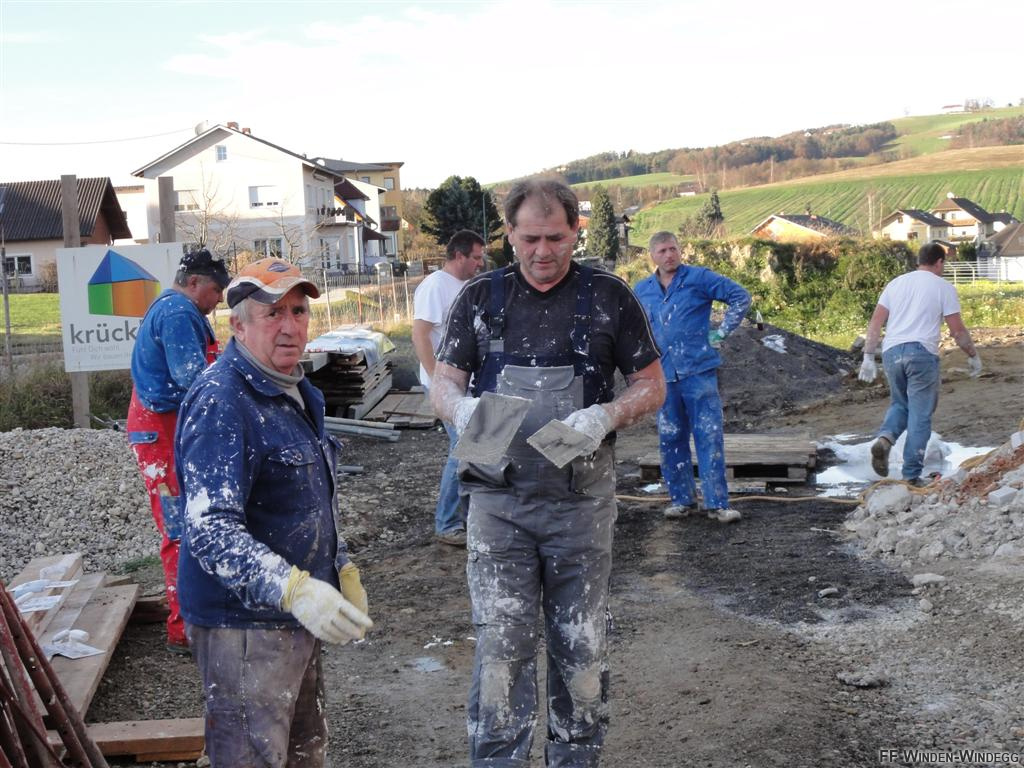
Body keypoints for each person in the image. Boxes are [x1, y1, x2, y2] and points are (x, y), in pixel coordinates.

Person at [430, 179, 665, 767]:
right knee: (501, 647)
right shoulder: (480, 297)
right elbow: (444, 382)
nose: (542, 252)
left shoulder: (608, 296)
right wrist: (460, 409)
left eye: (556, 238)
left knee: (580, 646)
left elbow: (652, 385)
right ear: (508, 234)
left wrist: (606, 414)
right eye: (529, 238)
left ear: (575, 231)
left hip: (579, 505)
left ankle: (575, 758)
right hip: (498, 505)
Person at [175, 257, 373, 767]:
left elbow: (309, 496)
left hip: (295, 613)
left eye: (298, 311)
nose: (290, 326)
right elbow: (209, 530)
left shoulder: (297, 389)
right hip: (243, 626)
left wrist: (340, 565)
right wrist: (294, 588)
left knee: (303, 753)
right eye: (272, 313)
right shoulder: (222, 401)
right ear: (238, 326)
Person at [126, 247, 230, 652]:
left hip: (164, 429)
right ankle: (184, 630)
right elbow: (194, 379)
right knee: (179, 532)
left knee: (187, 525)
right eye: (216, 290)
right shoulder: (177, 313)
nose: (218, 299)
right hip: (160, 433)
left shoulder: (175, 310)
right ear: (194, 283)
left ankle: (195, 618)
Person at [633, 232, 751, 523]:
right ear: (652, 256)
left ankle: (717, 503)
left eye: (673, 249)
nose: (669, 255)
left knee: (708, 434)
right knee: (670, 436)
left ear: (680, 250)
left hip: (698, 371)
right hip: (663, 375)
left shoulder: (699, 278)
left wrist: (721, 332)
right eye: (662, 251)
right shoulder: (642, 289)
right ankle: (681, 500)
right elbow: (632, 327)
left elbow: (740, 296)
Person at [858, 241, 981, 485]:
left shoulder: (896, 283)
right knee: (920, 415)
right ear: (939, 262)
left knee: (900, 404)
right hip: (921, 354)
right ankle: (911, 475)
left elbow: (875, 323)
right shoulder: (943, 287)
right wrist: (972, 355)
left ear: (919, 261)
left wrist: (868, 357)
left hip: (892, 352)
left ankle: (885, 440)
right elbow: (957, 331)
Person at [412, 229, 485, 547]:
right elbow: (420, 335)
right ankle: (447, 523)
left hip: (466, 383)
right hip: (445, 384)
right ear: (459, 256)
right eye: (476, 258)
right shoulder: (435, 286)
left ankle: (468, 518)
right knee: (463, 448)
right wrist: (436, 380)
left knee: (477, 449)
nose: (480, 263)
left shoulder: (468, 286)